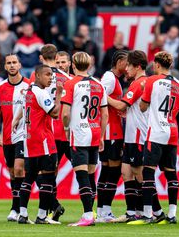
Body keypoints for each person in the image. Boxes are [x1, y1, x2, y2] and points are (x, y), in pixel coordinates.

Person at [130, 51, 179, 225]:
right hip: (172, 131)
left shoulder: (152, 81)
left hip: (156, 132)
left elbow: (144, 107)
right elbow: (176, 111)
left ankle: (148, 214)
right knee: (171, 173)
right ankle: (172, 214)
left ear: (157, 65)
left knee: (148, 172)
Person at [11, 64, 63, 225]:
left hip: (29, 141)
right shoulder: (41, 93)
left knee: (29, 178)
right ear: (37, 76)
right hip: (44, 141)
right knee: (48, 179)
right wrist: (59, 94)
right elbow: (54, 113)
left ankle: (23, 215)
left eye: (51, 76)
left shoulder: (28, 91)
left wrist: (17, 119)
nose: (50, 78)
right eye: (47, 75)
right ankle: (41, 216)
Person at [61, 52, 109, 227]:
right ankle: (91, 212)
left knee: (82, 176)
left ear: (73, 64)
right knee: (90, 175)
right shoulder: (99, 84)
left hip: (79, 133)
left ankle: (88, 215)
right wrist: (102, 135)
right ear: (89, 65)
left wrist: (66, 128)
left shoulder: (70, 83)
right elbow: (105, 114)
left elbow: (65, 113)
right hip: (95, 132)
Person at [28, 44, 71, 221]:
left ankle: (48, 208)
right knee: (85, 170)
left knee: (43, 174)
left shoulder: (36, 75)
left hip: (46, 132)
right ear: (56, 57)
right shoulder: (68, 78)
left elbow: (30, 101)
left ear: (41, 57)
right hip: (67, 132)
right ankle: (90, 212)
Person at [106, 50, 149, 222]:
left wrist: (102, 94)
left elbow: (121, 105)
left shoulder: (140, 83)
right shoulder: (136, 83)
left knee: (140, 175)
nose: (126, 69)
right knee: (126, 173)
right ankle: (132, 212)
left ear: (137, 66)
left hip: (139, 135)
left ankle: (149, 211)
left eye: (129, 66)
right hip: (130, 135)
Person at [0, 53, 30, 222]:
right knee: (13, 172)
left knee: (20, 168)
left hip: (24, 135)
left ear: (20, 65)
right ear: (5, 67)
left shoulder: (30, 85)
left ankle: (22, 209)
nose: (12, 65)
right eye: (9, 63)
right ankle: (15, 207)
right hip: (7, 135)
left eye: (15, 62)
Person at [96, 50, 128, 222]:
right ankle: (105, 210)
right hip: (111, 130)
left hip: (110, 129)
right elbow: (99, 95)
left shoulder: (113, 78)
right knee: (114, 171)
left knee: (107, 170)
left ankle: (101, 210)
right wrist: (118, 106)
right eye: (126, 62)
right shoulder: (109, 78)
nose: (128, 65)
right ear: (119, 61)